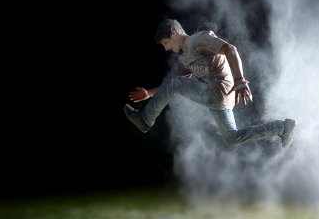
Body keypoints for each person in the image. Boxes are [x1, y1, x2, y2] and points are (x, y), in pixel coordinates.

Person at [124, 19, 296, 147]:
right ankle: (283, 127)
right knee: (232, 137)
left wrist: (240, 81)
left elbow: (230, 49)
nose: (166, 49)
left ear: (174, 33)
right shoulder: (185, 59)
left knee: (175, 83)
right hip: (220, 99)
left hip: (219, 90)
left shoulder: (199, 39)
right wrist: (149, 93)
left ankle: (145, 120)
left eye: (166, 43)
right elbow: (170, 85)